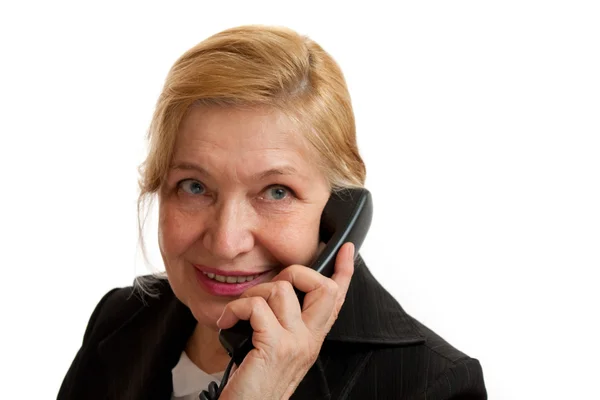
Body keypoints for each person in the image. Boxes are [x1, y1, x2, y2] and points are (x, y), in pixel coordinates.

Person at [57, 25, 487, 399]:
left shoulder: (430, 385)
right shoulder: (121, 321)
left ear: (340, 211)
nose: (226, 242)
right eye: (194, 187)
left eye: (276, 192)